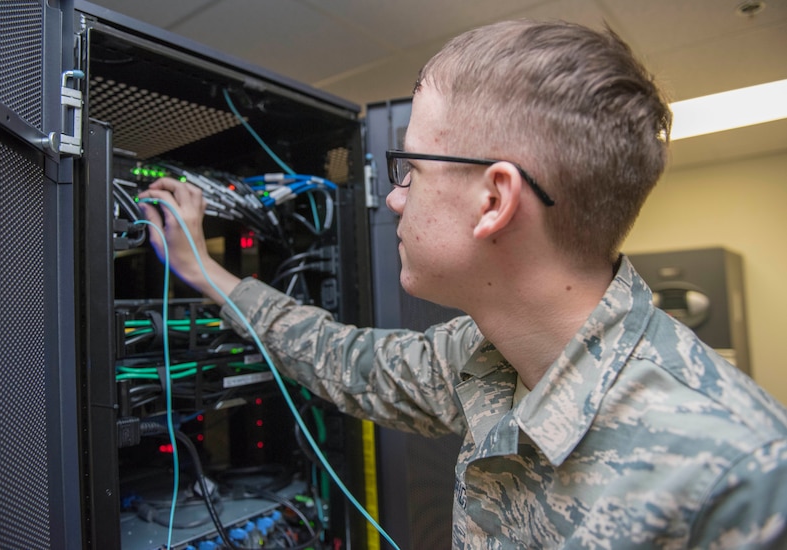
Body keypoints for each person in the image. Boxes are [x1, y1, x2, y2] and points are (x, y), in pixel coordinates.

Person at [139, 19, 787, 550]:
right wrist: (208, 273)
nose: (394, 200)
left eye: (409, 169)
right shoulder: (482, 359)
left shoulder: (739, 472)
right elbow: (347, 362)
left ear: (493, 200)